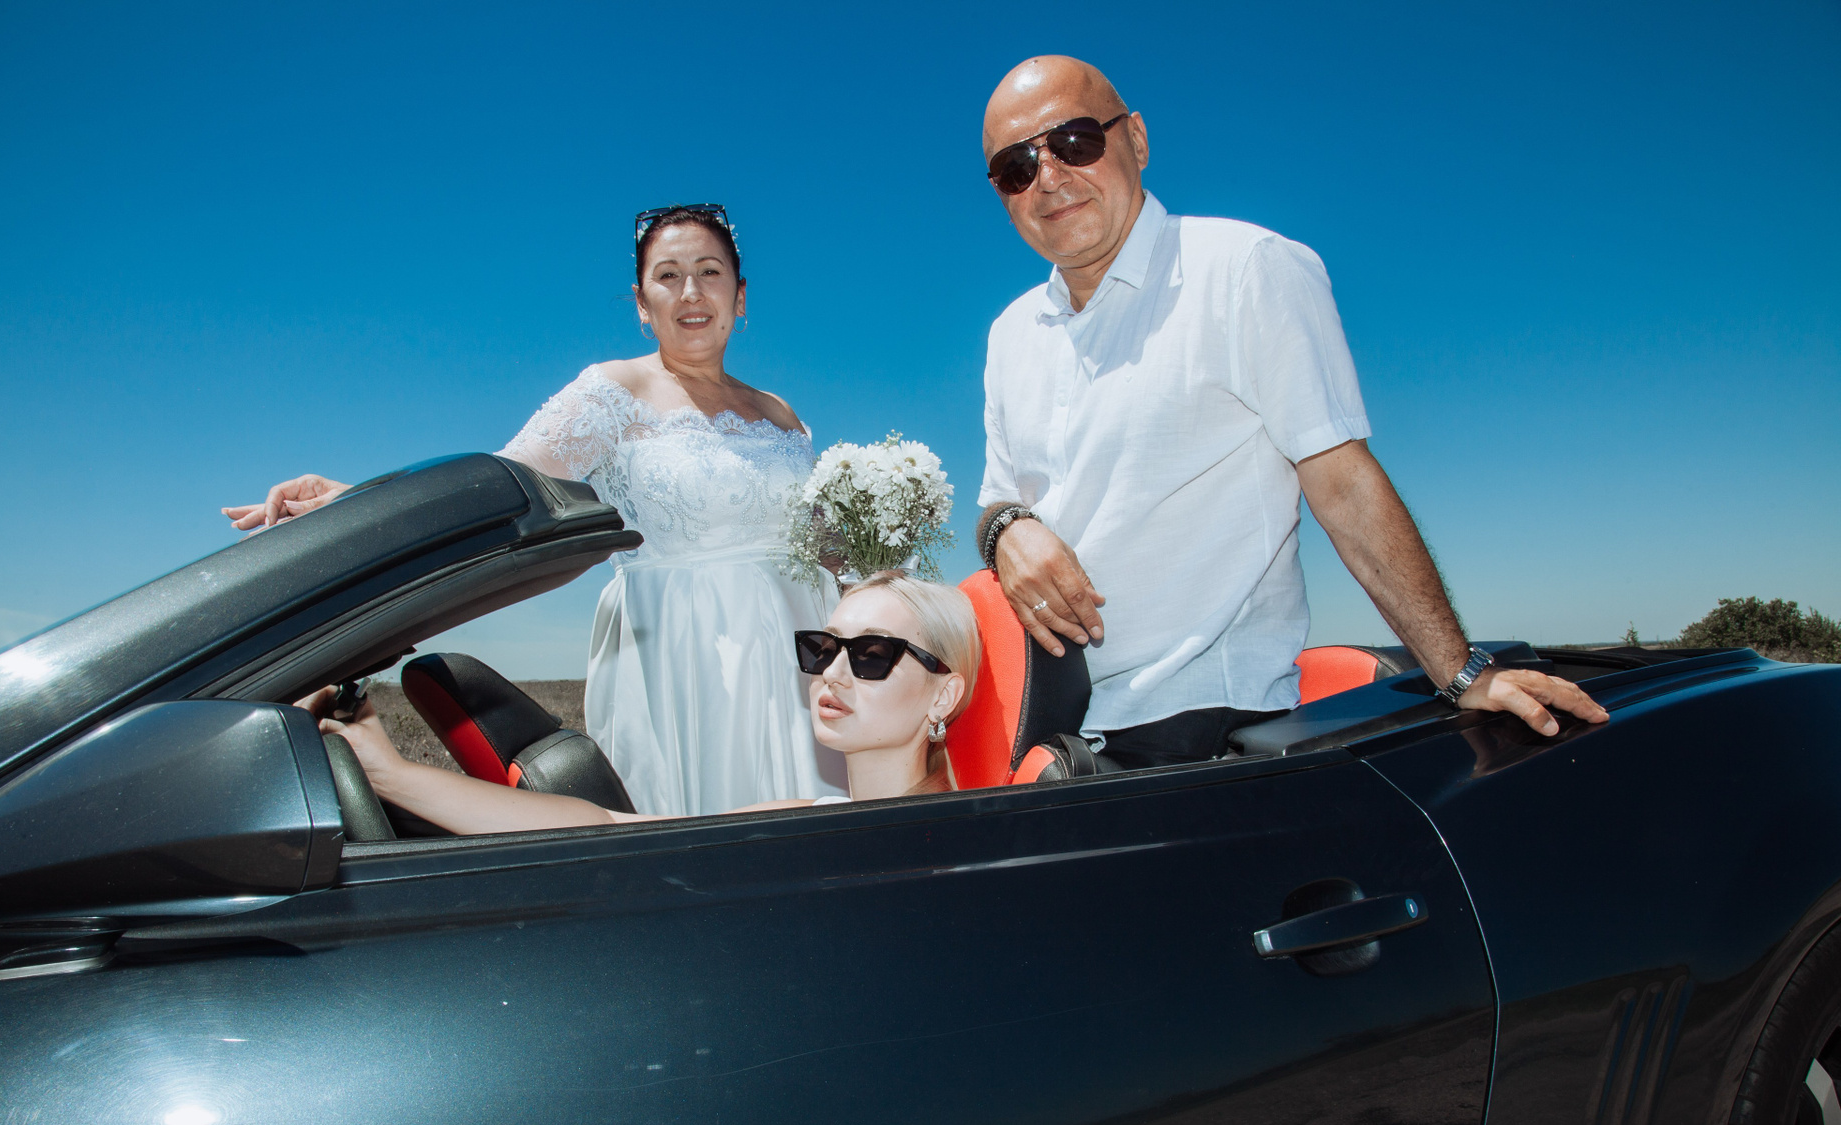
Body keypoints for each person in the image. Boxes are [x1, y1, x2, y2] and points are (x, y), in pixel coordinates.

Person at [972, 56, 1607, 769]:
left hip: (1197, 729)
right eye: (1015, 167)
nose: (1048, 176)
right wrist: (1006, 529)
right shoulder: (1009, 333)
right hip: (1046, 730)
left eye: (1074, 141)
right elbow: (999, 496)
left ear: (1137, 140)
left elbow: (1342, 483)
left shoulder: (1246, 269)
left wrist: (1461, 674)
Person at [225, 205, 844, 813]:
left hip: (806, 651)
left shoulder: (780, 413)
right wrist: (356, 499)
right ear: (641, 303)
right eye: (668, 275)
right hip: (686, 658)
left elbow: (825, 548)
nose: (691, 292)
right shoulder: (614, 391)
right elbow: (499, 484)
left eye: (709, 271)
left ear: (740, 295)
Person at [302, 572, 979, 833]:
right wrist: (391, 775)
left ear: (944, 693)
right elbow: (605, 827)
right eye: (821, 647)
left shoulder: (962, 838)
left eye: (871, 654)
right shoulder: (813, 817)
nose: (832, 672)